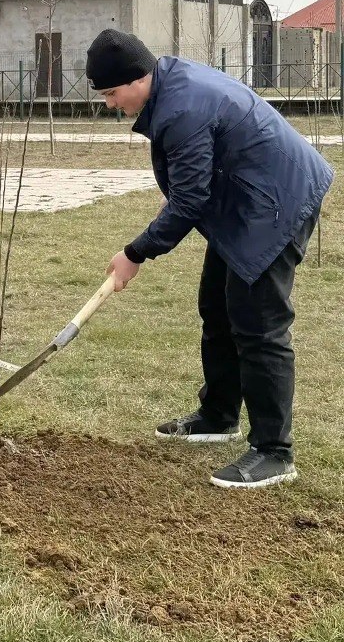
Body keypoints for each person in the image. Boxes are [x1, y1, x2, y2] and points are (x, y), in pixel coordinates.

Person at [86, 29, 334, 490]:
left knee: (259, 325)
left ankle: (274, 452)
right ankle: (219, 415)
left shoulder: (182, 108)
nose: (110, 104)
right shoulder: (169, 86)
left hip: (275, 205)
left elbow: (189, 202)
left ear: (137, 78)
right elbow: (193, 181)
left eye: (111, 93)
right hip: (244, 202)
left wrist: (134, 253)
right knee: (216, 307)